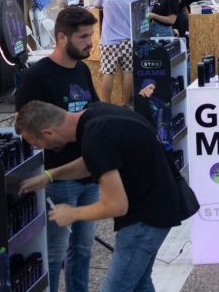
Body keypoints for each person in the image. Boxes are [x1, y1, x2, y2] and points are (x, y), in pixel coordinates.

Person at [15, 101, 185, 292]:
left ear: (48, 133)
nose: (39, 147)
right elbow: (95, 162)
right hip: (161, 206)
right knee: (140, 285)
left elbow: (117, 205)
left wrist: (72, 213)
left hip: (145, 220)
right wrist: (50, 176)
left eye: (36, 143)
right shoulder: (96, 114)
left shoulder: (95, 138)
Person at [14, 8, 100, 292]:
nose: (90, 42)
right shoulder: (37, 77)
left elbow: (94, 113)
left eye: (91, 35)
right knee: (54, 255)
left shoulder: (82, 69)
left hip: (89, 176)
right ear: (62, 37)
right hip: (58, 181)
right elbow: (21, 126)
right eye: (83, 36)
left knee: (83, 251)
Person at [94, 0, 141, 105]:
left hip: (109, 40)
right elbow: (139, 16)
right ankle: (125, 103)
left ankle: (106, 103)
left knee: (107, 72)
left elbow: (97, 5)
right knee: (128, 71)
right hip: (127, 39)